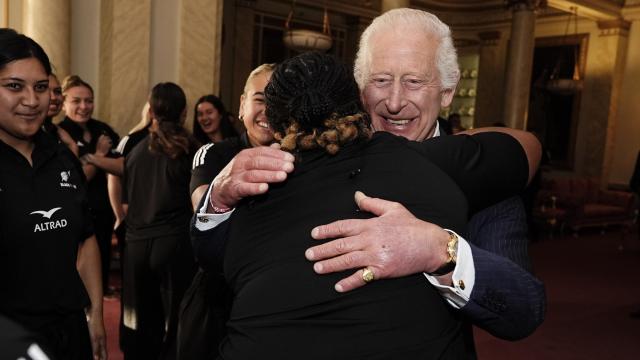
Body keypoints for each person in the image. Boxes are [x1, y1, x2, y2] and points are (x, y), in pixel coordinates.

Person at [193, 7, 546, 347]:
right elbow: (217, 259)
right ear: (360, 89)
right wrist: (219, 199)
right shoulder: (303, 161)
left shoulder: (484, 177)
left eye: (414, 82)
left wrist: (442, 252)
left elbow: (522, 310)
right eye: (381, 80)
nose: (394, 102)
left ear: (448, 92)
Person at [0, 28, 106, 360]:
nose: (32, 101)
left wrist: (97, 315)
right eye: (14, 86)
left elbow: (85, 238)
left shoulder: (61, 156)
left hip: (69, 329)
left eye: (41, 87)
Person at [177, 63, 276, 359]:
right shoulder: (214, 155)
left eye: (279, 99)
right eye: (260, 99)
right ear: (243, 103)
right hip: (217, 299)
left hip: (273, 303)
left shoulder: (303, 162)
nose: (268, 110)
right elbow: (204, 218)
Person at [121, 82, 198, 359]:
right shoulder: (190, 149)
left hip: (136, 247)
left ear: (151, 111)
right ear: (184, 113)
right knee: (176, 321)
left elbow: (127, 201)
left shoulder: (135, 153)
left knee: (138, 321)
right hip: (173, 243)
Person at [58, 74, 122, 296]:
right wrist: (101, 155)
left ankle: (102, 291)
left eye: (89, 100)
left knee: (103, 253)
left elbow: (123, 164)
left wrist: (91, 160)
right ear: (64, 103)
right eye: (76, 101)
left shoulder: (101, 129)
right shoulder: (60, 133)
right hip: (74, 210)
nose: (84, 106)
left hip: (103, 208)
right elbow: (77, 178)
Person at [41, 73, 78, 155]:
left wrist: (72, 146)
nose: (53, 97)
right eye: (44, 90)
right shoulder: (24, 134)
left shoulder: (55, 131)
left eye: (57, 91)